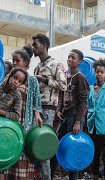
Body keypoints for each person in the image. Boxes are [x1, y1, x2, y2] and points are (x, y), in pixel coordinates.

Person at [0, 45, 43, 180]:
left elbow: (37, 100)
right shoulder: (9, 76)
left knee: (22, 149)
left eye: (17, 60)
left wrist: (37, 116)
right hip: (10, 119)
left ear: (25, 62)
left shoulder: (32, 80)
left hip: (26, 120)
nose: (14, 63)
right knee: (9, 147)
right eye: (13, 60)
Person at [32, 33, 67, 180]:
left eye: (36, 45)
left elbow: (63, 85)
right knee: (33, 143)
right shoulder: (37, 67)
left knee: (43, 146)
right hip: (35, 109)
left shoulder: (55, 64)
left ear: (44, 46)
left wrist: (45, 80)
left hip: (48, 109)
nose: (33, 47)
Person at [50, 49, 89, 180]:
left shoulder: (80, 78)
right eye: (69, 57)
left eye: (73, 57)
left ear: (79, 61)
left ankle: (74, 177)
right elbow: (61, 94)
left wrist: (78, 122)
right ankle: (50, 175)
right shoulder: (65, 76)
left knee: (73, 148)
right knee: (57, 145)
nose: (70, 59)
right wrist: (59, 110)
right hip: (65, 116)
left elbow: (83, 102)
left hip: (75, 118)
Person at [87, 58, 105, 180]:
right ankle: (94, 175)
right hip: (92, 125)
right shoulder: (90, 89)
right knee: (94, 152)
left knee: (104, 153)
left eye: (102, 72)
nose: (99, 74)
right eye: (97, 72)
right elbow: (88, 106)